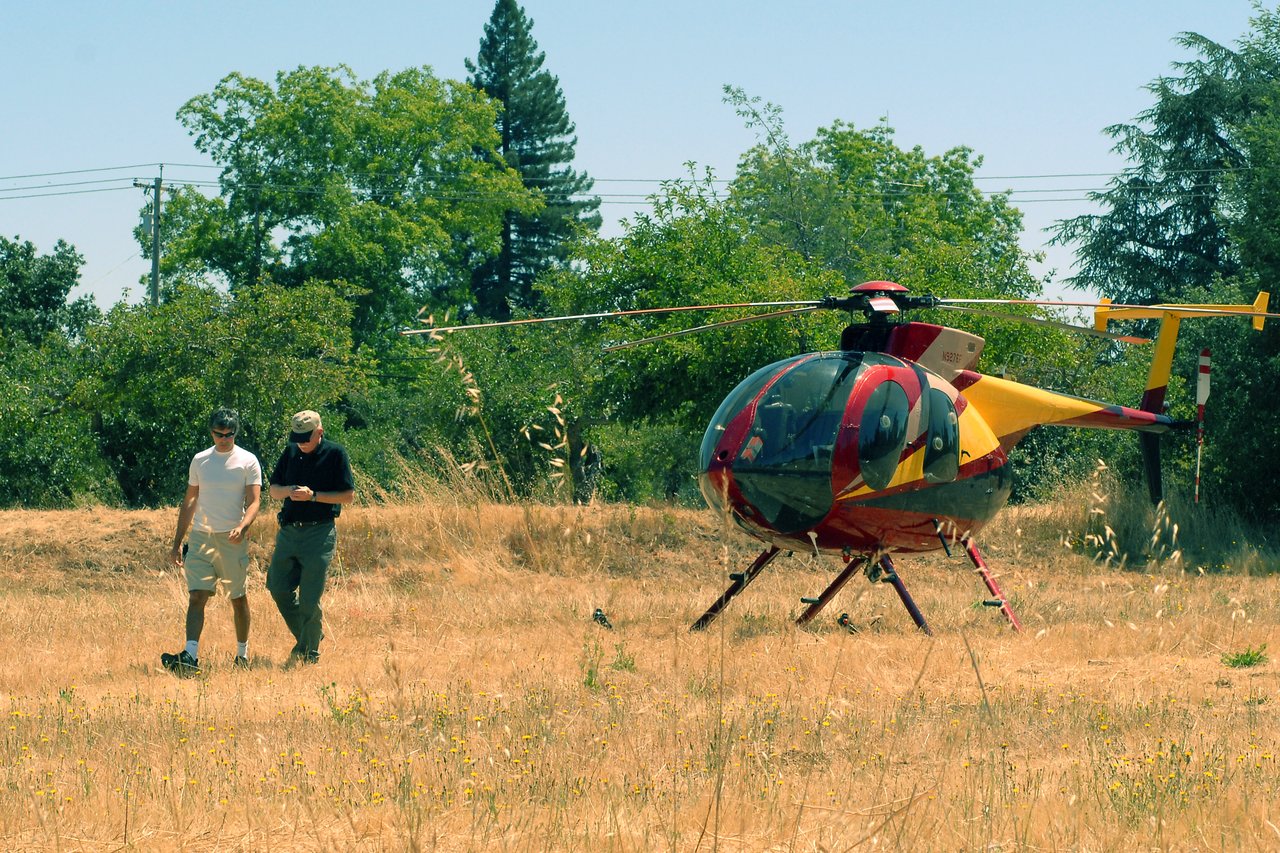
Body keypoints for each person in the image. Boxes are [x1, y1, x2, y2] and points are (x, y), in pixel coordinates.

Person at [162, 408, 262, 675]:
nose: (225, 439)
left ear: (235, 433)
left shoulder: (248, 461)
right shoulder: (200, 461)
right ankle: (190, 656)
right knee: (197, 597)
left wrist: (243, 526)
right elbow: (190, 502)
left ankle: (242, 655)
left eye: (230, 434)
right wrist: (176, 543)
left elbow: (254, 501)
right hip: (201, 538)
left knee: (238, 598)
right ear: (211, 432)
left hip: (231, 540)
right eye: (220, 434)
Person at [266, 410, 355, 664]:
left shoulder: (336, 454)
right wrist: (289, 491)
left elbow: (347, 495)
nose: (301, 443)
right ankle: (311, 636)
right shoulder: (291, 451)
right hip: (289, 531)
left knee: (309, 598)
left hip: (319, 532)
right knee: (277, 588)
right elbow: (273, 490)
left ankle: (308, 652)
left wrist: (313, 495)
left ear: (320, 433)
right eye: (297, 437)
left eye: (306, 437)